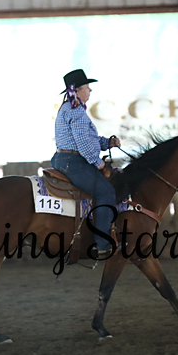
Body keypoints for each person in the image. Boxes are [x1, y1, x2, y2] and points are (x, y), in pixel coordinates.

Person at [51, 68, 121, 259]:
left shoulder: (70, 108)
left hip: (65, 159)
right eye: (87, 87)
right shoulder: (77, 111)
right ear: (78, 90)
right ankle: (103, 244)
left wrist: (107, 143)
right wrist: (97, 163)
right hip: (73, 161)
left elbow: (86, 139)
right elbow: (82, 143)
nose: (90, 91)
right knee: (106, 192)